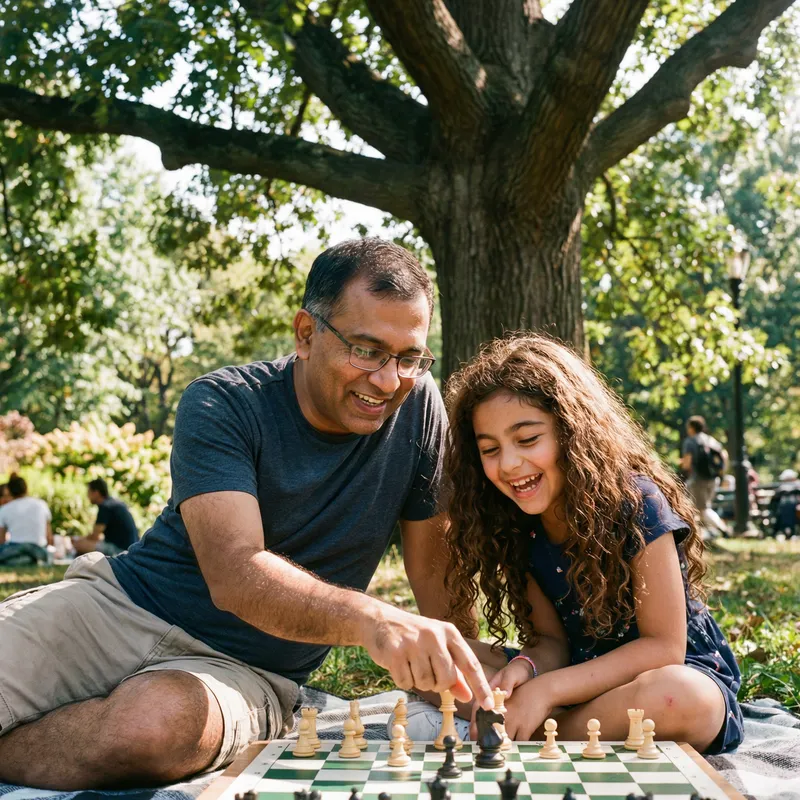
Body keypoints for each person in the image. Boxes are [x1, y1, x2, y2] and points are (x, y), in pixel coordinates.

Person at [0, 238, 493, 791]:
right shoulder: (222, 402)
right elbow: (236, 573)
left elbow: (433, 572)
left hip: (248, 669)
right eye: (366, 350)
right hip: (116, 607)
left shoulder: (420, 406)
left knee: (153, 729)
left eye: (408, 357)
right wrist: (372, 621)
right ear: (306, 334)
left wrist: (457, 669)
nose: (388, 380)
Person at [437, 334, 742, 754]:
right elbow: (551, 643)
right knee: (440, 654)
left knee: (682, 697)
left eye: (527, 440)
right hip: (578, 675)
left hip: (665, 676)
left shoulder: (638, 504)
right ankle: (540, 718)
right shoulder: (514, 524)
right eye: (490, 449)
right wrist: (528, 669)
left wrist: (547, 691)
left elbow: (664, 648)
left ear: (572, 433)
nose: (509, 464)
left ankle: (545, 729)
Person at [680, 416, 729, 538]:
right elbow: (724, 456)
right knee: (701, 509)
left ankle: (723, 529)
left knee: (702, 509)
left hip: (698, 479)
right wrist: (721, 473)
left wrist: (681, 463)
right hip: (713, 479)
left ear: (691, 428)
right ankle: (704, 534)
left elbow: (687, 464)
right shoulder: (711, 441)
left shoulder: (690, 441)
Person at [71, 478, 139, 556]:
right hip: (131, 548)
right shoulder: (114, 503)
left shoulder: (105, 507)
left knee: (80, 545)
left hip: (121, 550)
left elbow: (95, 536)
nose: (87, 496)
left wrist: (78, 539)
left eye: (89, 492)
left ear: (96, 492)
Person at [0, 473, 52, 565]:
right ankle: (32, 560)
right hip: (37, 550)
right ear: (26, 488)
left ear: (10, 491)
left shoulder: (5, 509)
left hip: (14, 551)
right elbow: (49, 537)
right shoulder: (41, 505)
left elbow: (1, 541)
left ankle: (23, 560)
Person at [771, 469, 800, 538]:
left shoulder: (781, 489)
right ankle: (788, 531)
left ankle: (785, 531)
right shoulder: (781, 489)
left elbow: (773, 502)